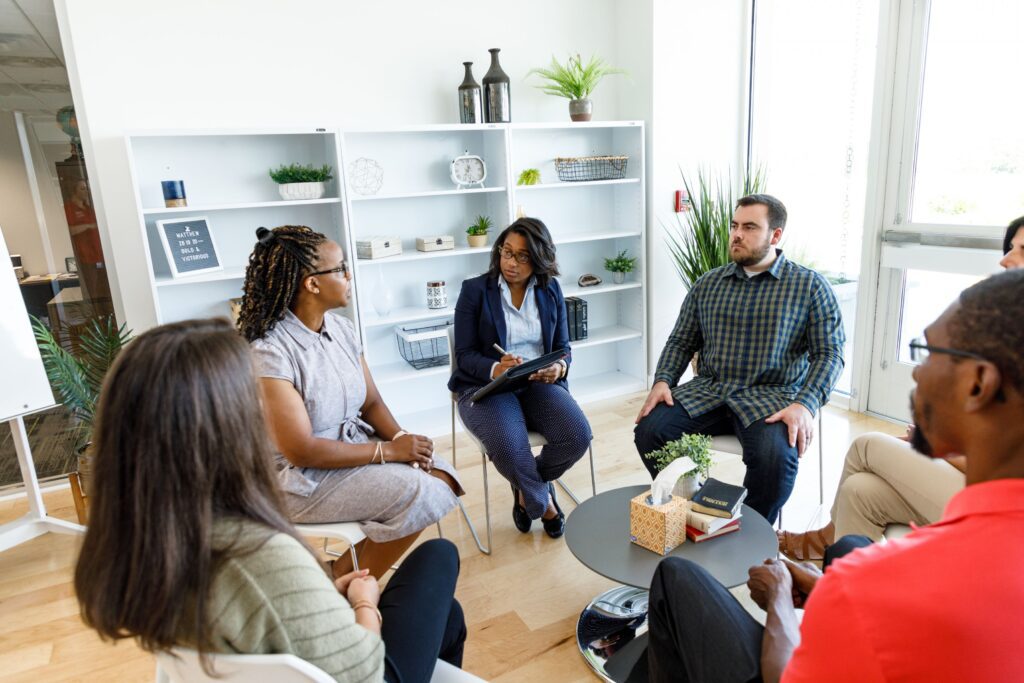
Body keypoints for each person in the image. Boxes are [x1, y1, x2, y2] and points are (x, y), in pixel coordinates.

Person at [642, 268, 1024, 682]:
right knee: (859, 501)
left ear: (978, 384)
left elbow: (789, 674)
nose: (917, 372)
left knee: (674, 577)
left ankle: (755, 533)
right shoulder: (979, 547)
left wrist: (780, 598)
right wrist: (830, 590)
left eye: (928, 352)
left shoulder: (898, 570)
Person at [74, 319, 467, 683]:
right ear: (223, 426)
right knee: (439, 556)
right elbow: (363, 674)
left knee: (448, 617)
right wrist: (364, 604)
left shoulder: (147, 545)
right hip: (364, 674)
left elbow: (262, 610)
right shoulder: (257, 556)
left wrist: (312, 593)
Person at [778, 213, 1024, 560]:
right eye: (1010, 247)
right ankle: (839, 579)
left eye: (1022, 250)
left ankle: (825, 541)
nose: (1006, 259)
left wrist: (941, 447)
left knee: (865, 446)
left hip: (1004, 508)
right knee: (859, 491)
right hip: (977, 478)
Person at [238, 225, 463, 579]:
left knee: (442, 475)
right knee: (419, 491)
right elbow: (302, 451)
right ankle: (342, 585)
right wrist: (389, 452)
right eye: (341, 268)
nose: (349, 276)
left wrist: (401, 438)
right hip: (300, 479)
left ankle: (337, 576)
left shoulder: (341, 329)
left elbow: (371, 402)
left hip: (353, 448)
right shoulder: (270, 351)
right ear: (312, 284)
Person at [634, 194, 845, 523]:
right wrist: (663, 381)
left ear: (775, 235)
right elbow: (681, 340)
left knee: (774, 458)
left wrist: (805, 404)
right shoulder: (708, 284)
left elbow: (830, 354)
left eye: (749, 227)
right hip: (710, 389)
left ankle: (750, 532)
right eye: (734, 226)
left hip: (772, 398)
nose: (737, 234)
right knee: (650, 431)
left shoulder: (810, 287)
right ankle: (695, 505)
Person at [449, 217, 592, 538]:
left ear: (539, 259)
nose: (511, 262)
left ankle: (526, 487)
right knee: (508, 447)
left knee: (577, 435)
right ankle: (544, 503)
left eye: (522, 256)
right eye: (507, 252)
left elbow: (563, 348)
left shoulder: (550, 289)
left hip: (538, 383)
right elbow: (465, 355)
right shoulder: (475, 291)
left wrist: (559, 368)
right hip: (488, 387)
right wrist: (495, 368)